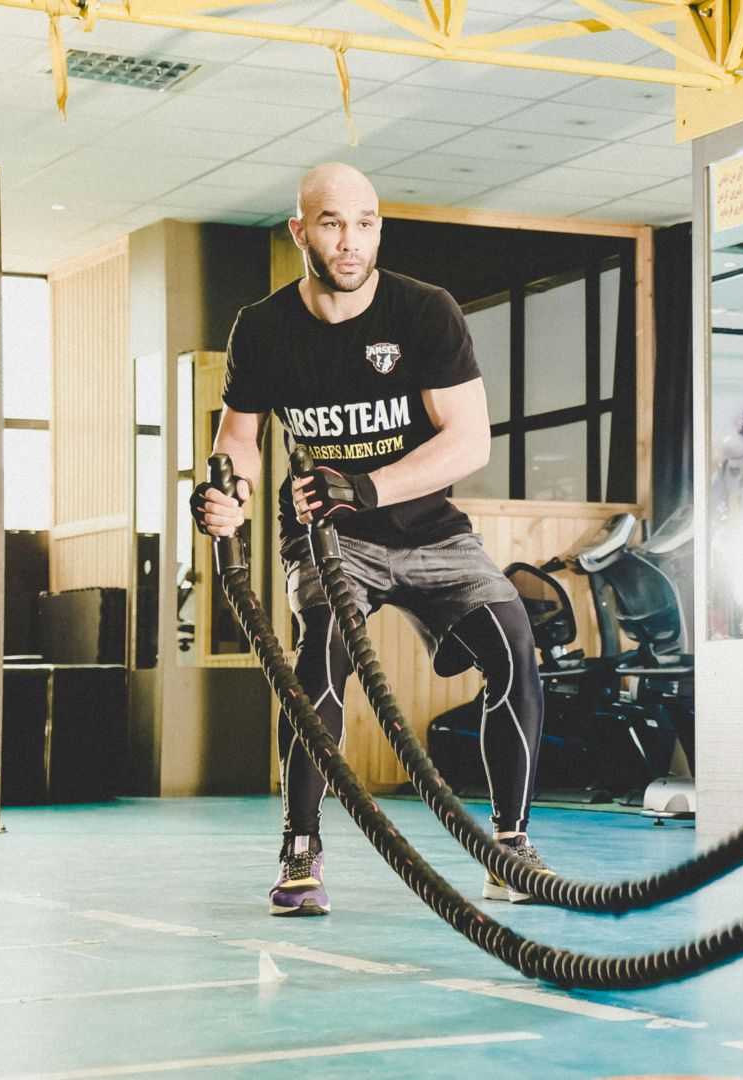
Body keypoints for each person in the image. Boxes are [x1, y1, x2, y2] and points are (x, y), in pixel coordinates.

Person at [191, 163, 552, 917]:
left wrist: (373, 485)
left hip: (431, 535)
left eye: (365, 222)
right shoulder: (262, 328)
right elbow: (242, 437)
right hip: (330, 543)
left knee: (513, 646)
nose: (350, 241)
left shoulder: (425, 310)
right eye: (331, 223)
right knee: (318, 659)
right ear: (300, 231)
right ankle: (301, 851)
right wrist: (231, 493)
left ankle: (508, 847)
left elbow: (469, 440)